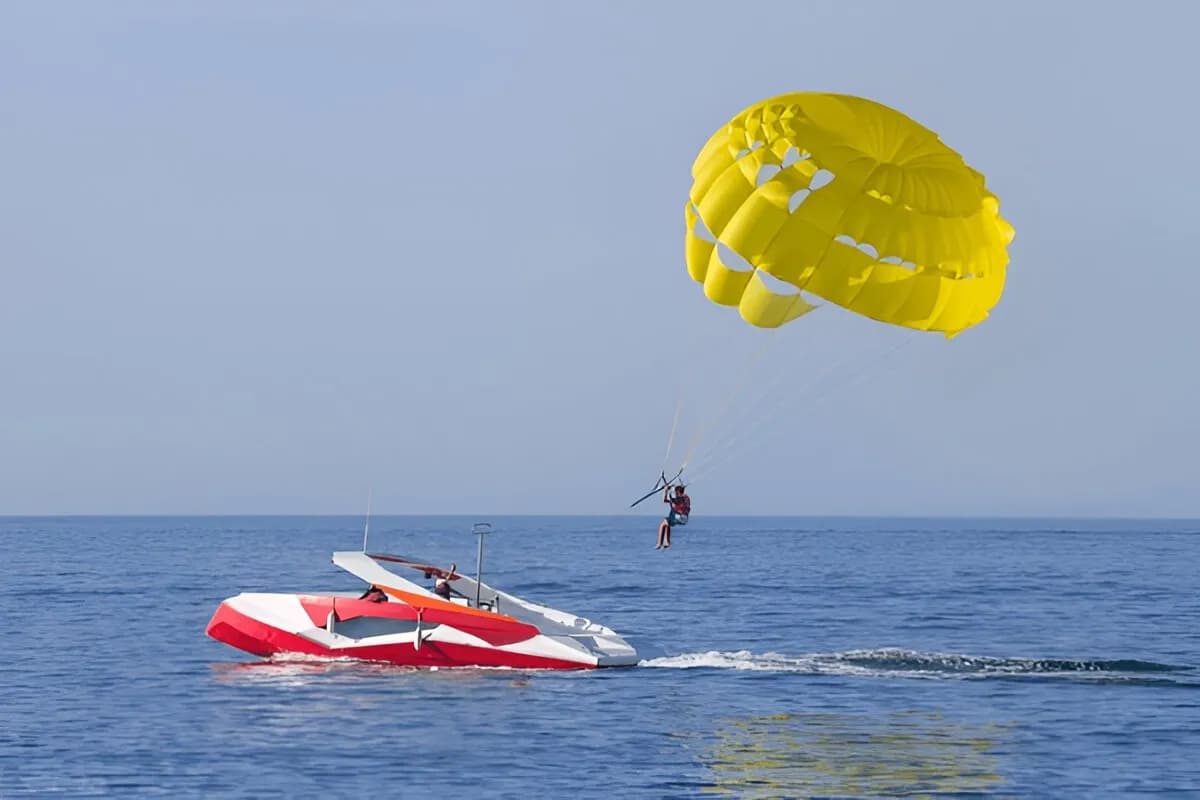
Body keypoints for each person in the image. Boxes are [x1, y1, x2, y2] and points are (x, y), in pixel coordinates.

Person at [657, 484, 690, 549]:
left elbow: (668, 499)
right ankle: (667, 543)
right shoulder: (686, 498)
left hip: (678, 517)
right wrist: (668, 490)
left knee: (662, 524)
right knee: (667, 524)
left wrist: (666, 490)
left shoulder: (680, 498)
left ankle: (659, 543)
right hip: (684, 519)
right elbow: (666, 500)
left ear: (678, 492)